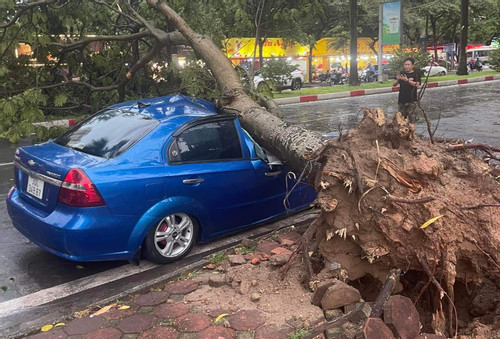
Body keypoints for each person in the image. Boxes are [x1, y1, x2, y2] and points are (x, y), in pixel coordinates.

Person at [392, 57, 421, 123]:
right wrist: (398, 79)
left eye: (408, 64)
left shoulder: (416, 74)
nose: (407, 66)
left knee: (412, 120)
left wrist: (407, 80)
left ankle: (412, 132)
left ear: (412, 65)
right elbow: (394, 84)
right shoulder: (402, 73)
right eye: (405, 64)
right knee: (401, 120)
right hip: (402, 100)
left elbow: (417, 84)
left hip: (412, 100)